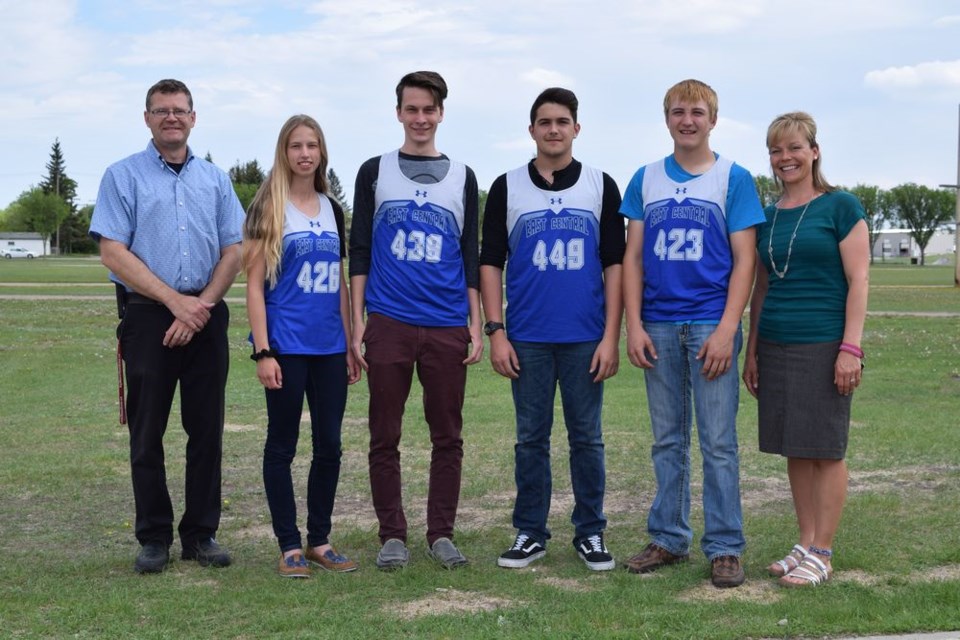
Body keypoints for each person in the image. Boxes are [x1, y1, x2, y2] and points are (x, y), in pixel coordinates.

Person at [89, 79, 244, 574]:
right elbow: (113, 250)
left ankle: (201, 533)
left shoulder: (215, 181)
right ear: (147, 118)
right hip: (148, 315)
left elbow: (234, 249)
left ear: (194, 118)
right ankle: (153, 536)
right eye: (161, 110)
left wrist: (200, 305)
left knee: (206, 432)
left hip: (206, 311)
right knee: (147, 431)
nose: (171, 117)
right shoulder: (122, 176)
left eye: (180, 110)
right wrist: (175, 302)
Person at [620, 79, 764, 588]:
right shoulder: (646, 177)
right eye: (678, 111)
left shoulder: (734, 177)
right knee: (667, 440)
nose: (688, 120)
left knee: (719, 442)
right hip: (658, 323)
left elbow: (746, 259)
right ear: (666, 119)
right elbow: (633, 257)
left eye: (697, 112)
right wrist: (633, 324)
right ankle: (669, 537)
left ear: (713, 119)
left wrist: (729, 328)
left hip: (710, 322)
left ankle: (725, 546)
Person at [480, 87, 624, 571]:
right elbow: (490, 261)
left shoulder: (601, 185)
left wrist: (611, 335)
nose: (554, 129)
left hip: (585, 335)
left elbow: (615, 264)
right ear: (532, 130)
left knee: (587, 438)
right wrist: (496, 330)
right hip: (527, 336)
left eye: (563, 121)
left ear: (576, 128)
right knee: (530, 439)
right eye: (545, 122)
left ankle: (590, 532)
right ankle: (530, 531)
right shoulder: (507, 185)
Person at [349, 70, 483, 570]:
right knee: (385, 433)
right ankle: (392, 534)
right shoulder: (374, 171)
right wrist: (359, 320)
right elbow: (358, 249)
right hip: (390, 321)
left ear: (441, 113)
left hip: (447, 323)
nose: (420, 118)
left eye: (429, 109)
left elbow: (469, 253)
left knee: (447, 435)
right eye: (412, 109)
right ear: (399, 112)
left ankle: (441, 533)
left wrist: (476, 320)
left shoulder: (463, 176)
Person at [743, 112, 869, 588]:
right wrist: (751, 351)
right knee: (796, 447)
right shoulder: (769, 216)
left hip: (825, 343)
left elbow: (859, 280)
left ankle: (824, 550)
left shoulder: (841, 207)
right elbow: (761, 288)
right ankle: (804, 540)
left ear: (814, 151)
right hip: (776, 342)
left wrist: (850, 348)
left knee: (826, 449)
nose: (785, 158)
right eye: (776, 150)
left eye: (794, 148)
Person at [243, 115, 361, 578]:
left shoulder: (333, 209)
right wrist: (263, 351)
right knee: (282, 445)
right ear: (284, 152)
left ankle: (320, 539)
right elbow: (254, 287)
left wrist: (352, 339)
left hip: (330, 346)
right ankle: (289, 545)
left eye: (312, 145)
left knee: (329, 445)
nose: (305, 153)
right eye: (296, 145)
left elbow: (339, 285)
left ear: (322, 152)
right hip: (286, 346)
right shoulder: (268, 208)